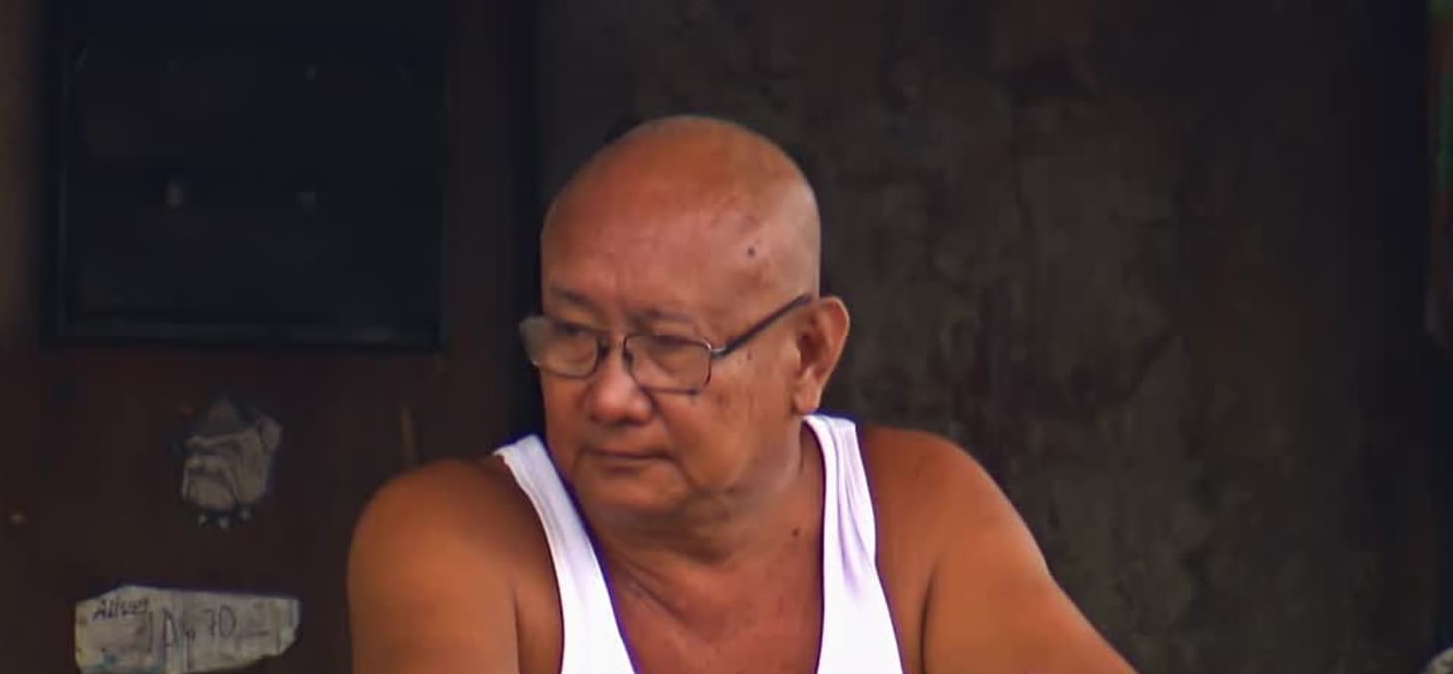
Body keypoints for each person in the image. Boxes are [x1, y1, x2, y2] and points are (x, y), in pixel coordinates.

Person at [347, 115, 1136, 674]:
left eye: (670, 349)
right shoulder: (458, 535)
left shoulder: (912, 515)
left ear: (808, 355)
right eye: (575, 336)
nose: (610, 397)